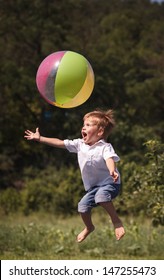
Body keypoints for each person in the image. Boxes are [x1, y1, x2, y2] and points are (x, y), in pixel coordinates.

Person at [24, 109, 125, 242]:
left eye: (88, 125)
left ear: (100, 132)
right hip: (93, 187)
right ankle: (89, 227)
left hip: (110, 183)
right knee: (82, 206)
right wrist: (40, 138)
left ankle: (116, 221)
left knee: (101, 197)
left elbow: (109, 159)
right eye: (84, 124)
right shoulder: (79, 144)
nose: (83, 127)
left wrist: (112, 170)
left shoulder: (104, 147)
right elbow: (60, 143)